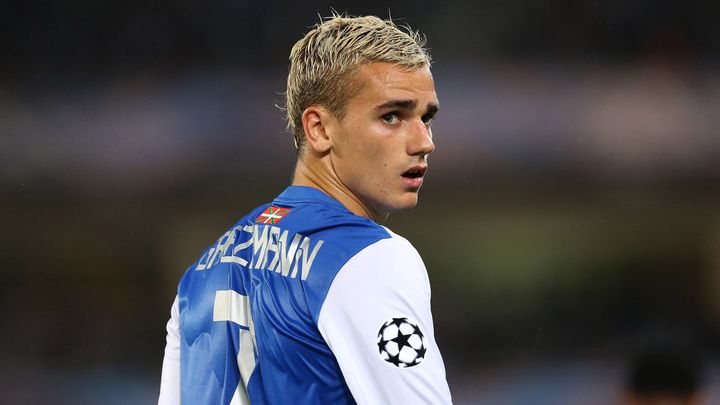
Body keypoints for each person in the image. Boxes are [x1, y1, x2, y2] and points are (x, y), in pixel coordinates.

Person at [158, 14, 452, 405]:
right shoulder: (370, 259)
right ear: (319, 128)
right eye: (392, 116)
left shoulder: (204, 271)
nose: (424, 142)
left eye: (426, 117)